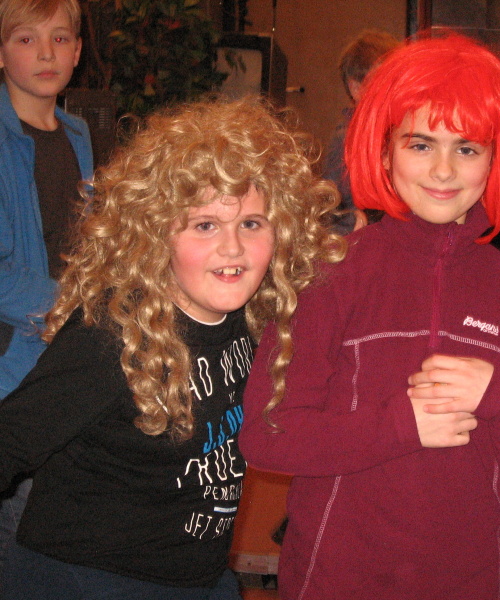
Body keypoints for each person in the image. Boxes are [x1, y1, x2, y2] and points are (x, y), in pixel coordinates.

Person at [240, 33, 500, 600]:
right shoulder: (328, 274)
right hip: (335, 579)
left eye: (467, 148)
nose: (443, 170)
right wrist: (402, 425)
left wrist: (497, 393)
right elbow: (267, 435)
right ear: (384, 150)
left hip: (468, 580)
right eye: (420, 144)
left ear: (495, 158)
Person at [0, 96, 344, 599]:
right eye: (205, 225)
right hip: (87, 578)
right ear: (156, 233)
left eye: (251, 223)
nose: (233, 247)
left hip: (199, 577)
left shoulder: (254, 320)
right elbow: (10, 440)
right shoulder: (112, 335)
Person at [0, 0, 93, 572]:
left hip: (65, 358)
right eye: (26, 39)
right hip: (12, 368)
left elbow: (80, 245)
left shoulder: (78, 133)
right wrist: (72, 304)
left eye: (59, 39)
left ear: (77, 51)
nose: (45, 53)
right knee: (18, 538)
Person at [323, 28, 399, 234]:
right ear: (356, 89)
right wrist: (349, 221)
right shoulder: (346, 140)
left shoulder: (396, 131)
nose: (396, 91)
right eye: (385, 83)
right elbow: (329, 209)